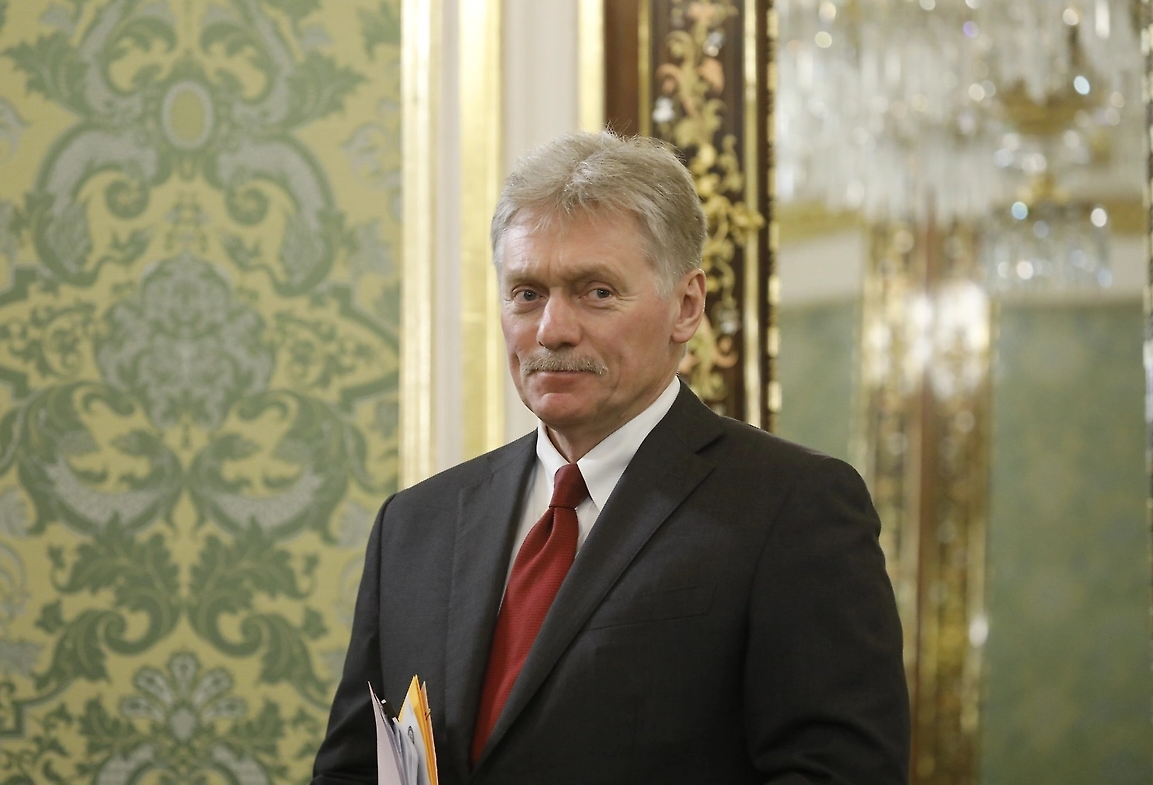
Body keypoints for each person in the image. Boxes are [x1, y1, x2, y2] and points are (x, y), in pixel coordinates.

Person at [312, 131, 910, 784]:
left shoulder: (793, 507)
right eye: (527, 293)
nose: (553, 329)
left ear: (686, 307)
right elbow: (353, 770)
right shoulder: (414, 525)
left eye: (596, 292)